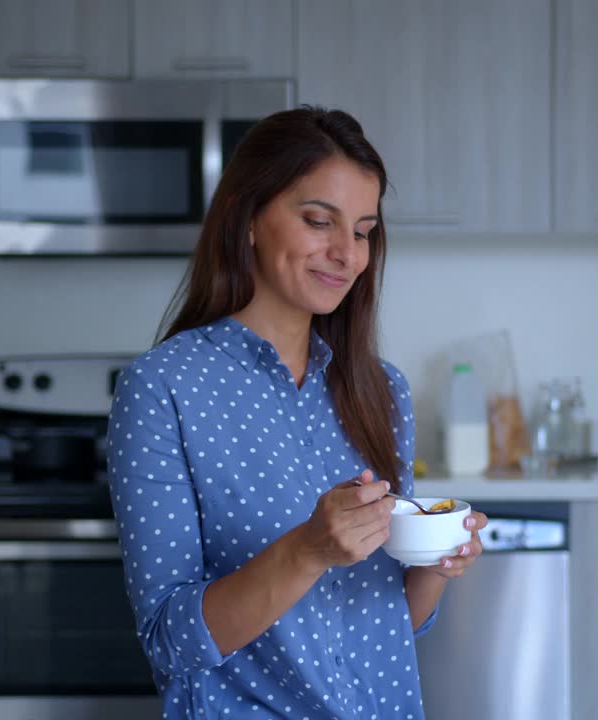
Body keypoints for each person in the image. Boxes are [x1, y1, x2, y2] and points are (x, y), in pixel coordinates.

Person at [107, 106, 489, 719]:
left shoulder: (379, 388)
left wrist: (436, 566)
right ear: (246, 219)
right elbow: (169, 641)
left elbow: (390, 626)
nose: (346, 254)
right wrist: (308, 550)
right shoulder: (163, 389)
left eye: (363, 231)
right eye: (319, 221)